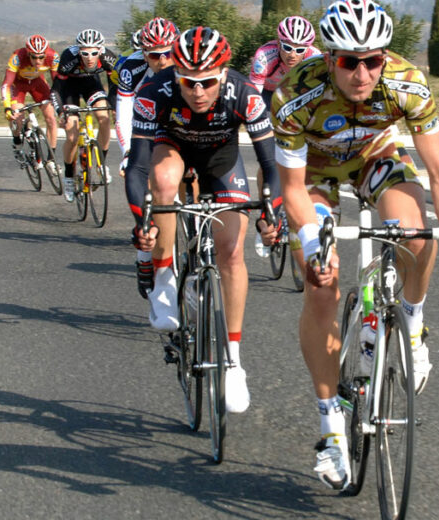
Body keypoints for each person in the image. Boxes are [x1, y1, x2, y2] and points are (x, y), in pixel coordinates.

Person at [272, 0, 439, 490]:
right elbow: (292, 190)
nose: (363, 73)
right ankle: (331, 428)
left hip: (374, 156)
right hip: (315, 171)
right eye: (350, 61)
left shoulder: (407, 82)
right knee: (320, 286)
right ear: (330, 58)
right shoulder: (294, 93)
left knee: (415, 234)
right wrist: (314, 244)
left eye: (373, 60)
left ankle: (411, 324)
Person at [125, 26, 281, 414]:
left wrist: (271, 212)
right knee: (163, 183)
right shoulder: (154, 92)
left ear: (224, 75)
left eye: (207, 82)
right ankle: (164, 278)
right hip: (172, 147)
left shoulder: (245, 94)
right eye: (188, 82)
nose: (197, 92)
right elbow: (137, 167)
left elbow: (269, 164)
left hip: (221, 159)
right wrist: (142, 221)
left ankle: (233, 361)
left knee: (232, 253)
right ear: (176, 75)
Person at [113, 17, 179, 299]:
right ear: (143, 53)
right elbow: (124, 115)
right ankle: (144, 254)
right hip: (144, 125)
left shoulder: (186, 63)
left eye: (168, 53)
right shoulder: (132, 68)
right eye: (154, 55)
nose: (162, 60)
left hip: (177, 124)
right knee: (146, 183)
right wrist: (127, 152)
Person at [248, 16, 321, 258]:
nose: (292, 54)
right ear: (279, 43)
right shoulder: (264, 56)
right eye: (288, 47)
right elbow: (253, 97)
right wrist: (260, 127)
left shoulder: (314, 58)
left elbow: (320, 97)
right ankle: (267, 216)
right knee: (268, 159)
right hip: (268, 97)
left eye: (299, 49)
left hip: (296, 98)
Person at [49, 29, 117, 202]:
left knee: (104, 118)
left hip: (91, 85)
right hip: (69, 89)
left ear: (100, 50)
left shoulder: (108, 57)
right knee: (72, 136)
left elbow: (114, 86)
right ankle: (69, 176)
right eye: (85, 53)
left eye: (94, 53)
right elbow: (56, 90)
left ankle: (101, 164)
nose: (89, 57)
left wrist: (115, 108)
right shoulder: (68, 57)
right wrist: (60, 112)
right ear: (79, 51)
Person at [1, 34, 60, 166]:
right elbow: (6, 84)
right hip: (18, 85)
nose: (38, 61)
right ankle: (17, 141)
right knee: (17, 116)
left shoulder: (53, 56)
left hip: (37, 83)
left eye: (41, 57)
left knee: (51, 117)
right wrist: (7, 107)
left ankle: (51, 159)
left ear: (46, 54)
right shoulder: (17, 57)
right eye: (34, 57)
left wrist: (60, 104)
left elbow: (58, 83)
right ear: (28, 54)